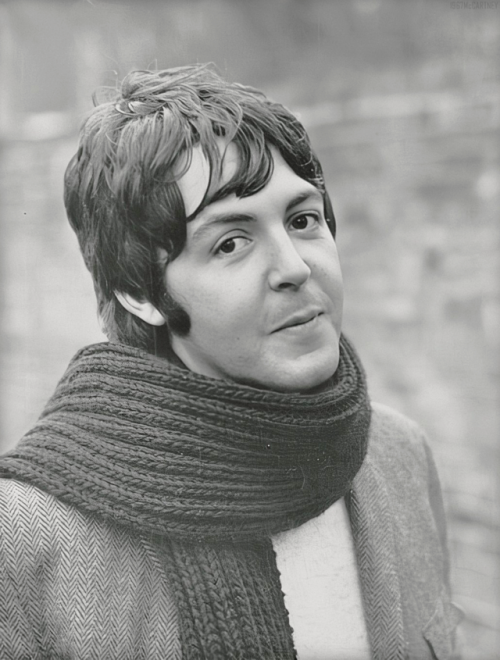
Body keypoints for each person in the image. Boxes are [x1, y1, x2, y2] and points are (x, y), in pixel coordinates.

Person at [0, 64, 462, 659]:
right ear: (139, 293)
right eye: (230, 243)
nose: (294, 266)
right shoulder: (27, 538)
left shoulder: (399, 455)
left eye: (303, 220)